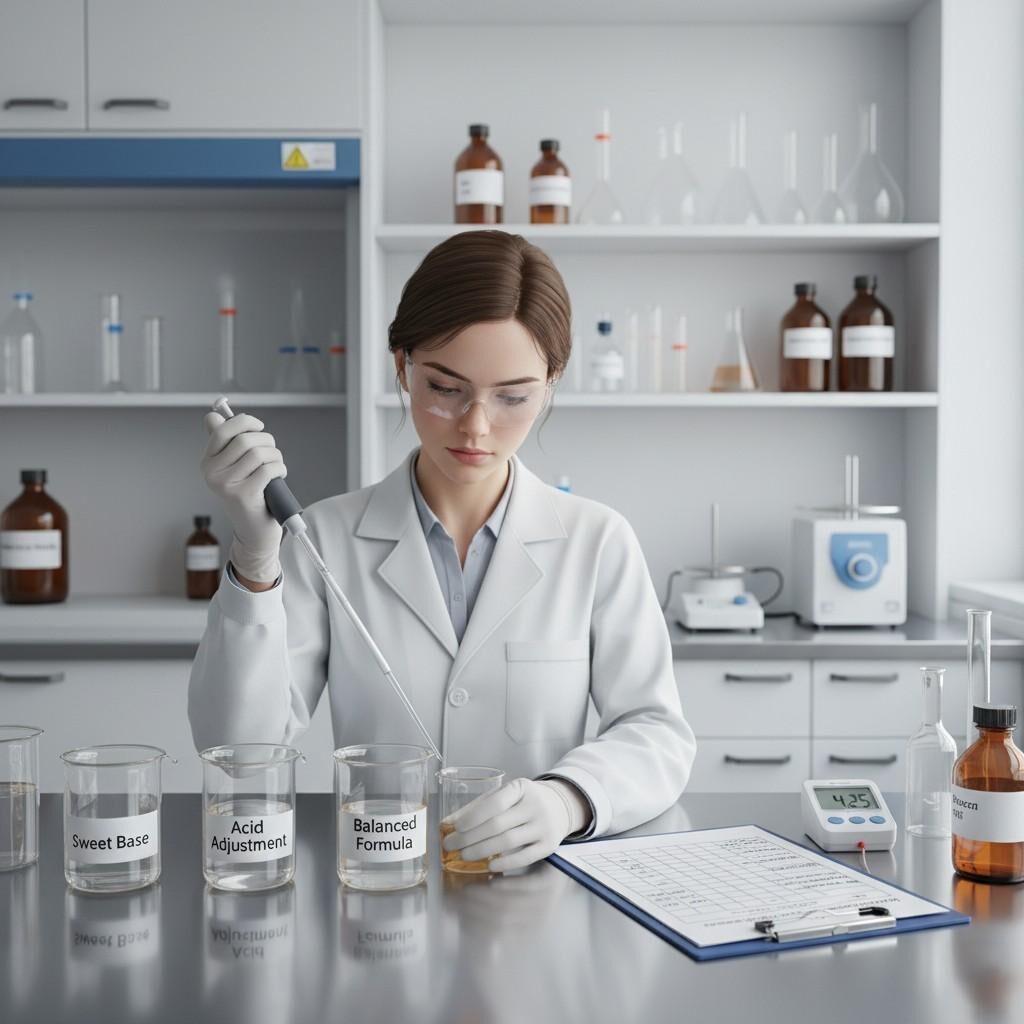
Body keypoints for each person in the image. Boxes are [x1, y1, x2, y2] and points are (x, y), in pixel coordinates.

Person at [189, 230, 695, 872]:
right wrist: (255, 557)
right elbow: (237, 752)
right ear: (401, 365)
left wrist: (567, 800)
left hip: (539, 893)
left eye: (512, 396)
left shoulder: (598, 541)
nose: (476, 426)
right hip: (377, 886)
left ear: (551, 385)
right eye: (446, 388)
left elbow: (656, 733)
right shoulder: (323, 541)